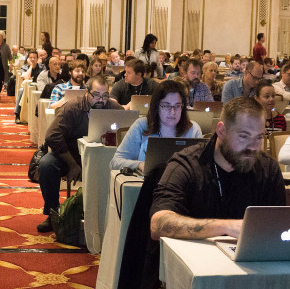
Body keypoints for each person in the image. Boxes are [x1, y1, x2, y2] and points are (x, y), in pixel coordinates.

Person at [149, 97, 284, 240]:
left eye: (259, 137)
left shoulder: (269, 169)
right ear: (221, 131)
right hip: (195, 258)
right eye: (244, 136)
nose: (253, 147)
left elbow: (277, 227)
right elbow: (158, 225)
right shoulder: (186, 165)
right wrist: (225, 227)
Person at [37, 76, 123, 232]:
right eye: (96, 95)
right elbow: (52, 135)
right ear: (86, 93)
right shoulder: (72, 107)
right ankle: (52, 213)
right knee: (46, 165)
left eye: (105, 96)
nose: (101, 100)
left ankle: (111, 218)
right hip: (71, 156)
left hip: (104, 159)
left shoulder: (115, 109)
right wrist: (72, 164)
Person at [110, 79, 202, 173]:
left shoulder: (193, 129)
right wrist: (140, 165)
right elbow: (115, 162)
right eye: (166, 106)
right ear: (157, 106)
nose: (172, 112)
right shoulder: (141, 126)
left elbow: (202, 167)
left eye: (177, 106)